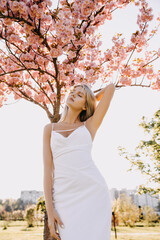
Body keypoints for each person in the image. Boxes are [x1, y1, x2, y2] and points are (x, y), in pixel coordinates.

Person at [43, 83, 115, 240]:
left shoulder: (89, 126)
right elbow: (48, 172)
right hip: (64, 198)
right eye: (73, 92)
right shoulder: (50, 129)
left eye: (79, 95)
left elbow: (110, 88)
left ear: (85, 106)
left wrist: (91, 98)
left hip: (94, 194)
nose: (73, 94)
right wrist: (50, 211)